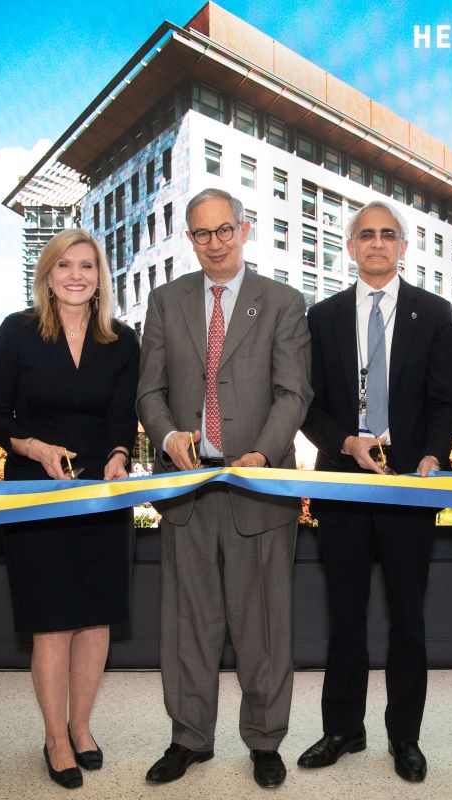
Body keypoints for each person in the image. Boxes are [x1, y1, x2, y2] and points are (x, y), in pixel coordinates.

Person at [136, 187, 312, 789]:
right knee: (188, 624)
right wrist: (166, 438)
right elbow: (149, 392)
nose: (214, 243)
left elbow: (294, 392)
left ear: (245, 229)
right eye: (201, 233)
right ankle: (189, 737)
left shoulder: (284, 301)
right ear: (189, 238)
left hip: (258, 489)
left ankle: (265, 741)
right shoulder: (165, 301)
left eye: (224, 230)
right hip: (187, 488)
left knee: (263, 625)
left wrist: (262, 453)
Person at [297, 200, 452, 783]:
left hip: (409, 485)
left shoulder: (435, 314)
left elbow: (445, 401)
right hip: (343, 483)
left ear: (403, 247)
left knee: (407, 620)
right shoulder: (323, 316)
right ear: (350, 246)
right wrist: (344, 442)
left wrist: (433, 456)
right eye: (366, 234)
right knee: (345, 616)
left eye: (388, 234)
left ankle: (404, 737)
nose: (377, 243)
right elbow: (307, 404)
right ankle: (343, 728)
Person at [0, 229, 139, 791]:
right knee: (51, 621)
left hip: (100, 492)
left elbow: (123, 416)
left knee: (95, 617)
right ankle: (53, 737)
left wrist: (119, 457)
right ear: (47, 276)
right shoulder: (17, 332)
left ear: (100, 278)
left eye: (88, 266)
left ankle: (81, 726)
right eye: (65, 265)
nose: (77, 275)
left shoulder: (122, 340)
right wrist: (34, 447)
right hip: (34, 491)